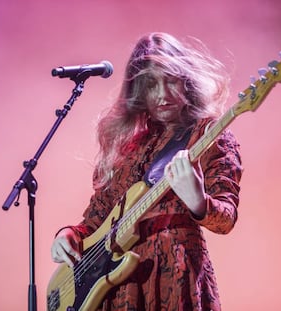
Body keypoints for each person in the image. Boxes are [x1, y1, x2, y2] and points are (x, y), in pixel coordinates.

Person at [50, 32, 243, 311]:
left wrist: (199, 202)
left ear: (186, 81)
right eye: (151, 84)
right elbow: (96, 219)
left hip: (173, 278)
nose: (163, 94)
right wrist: (69, 234)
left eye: (172, 80)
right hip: (119, 287)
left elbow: (225, 219)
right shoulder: (130, 147)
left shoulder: (209, 135)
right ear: (137, 92)